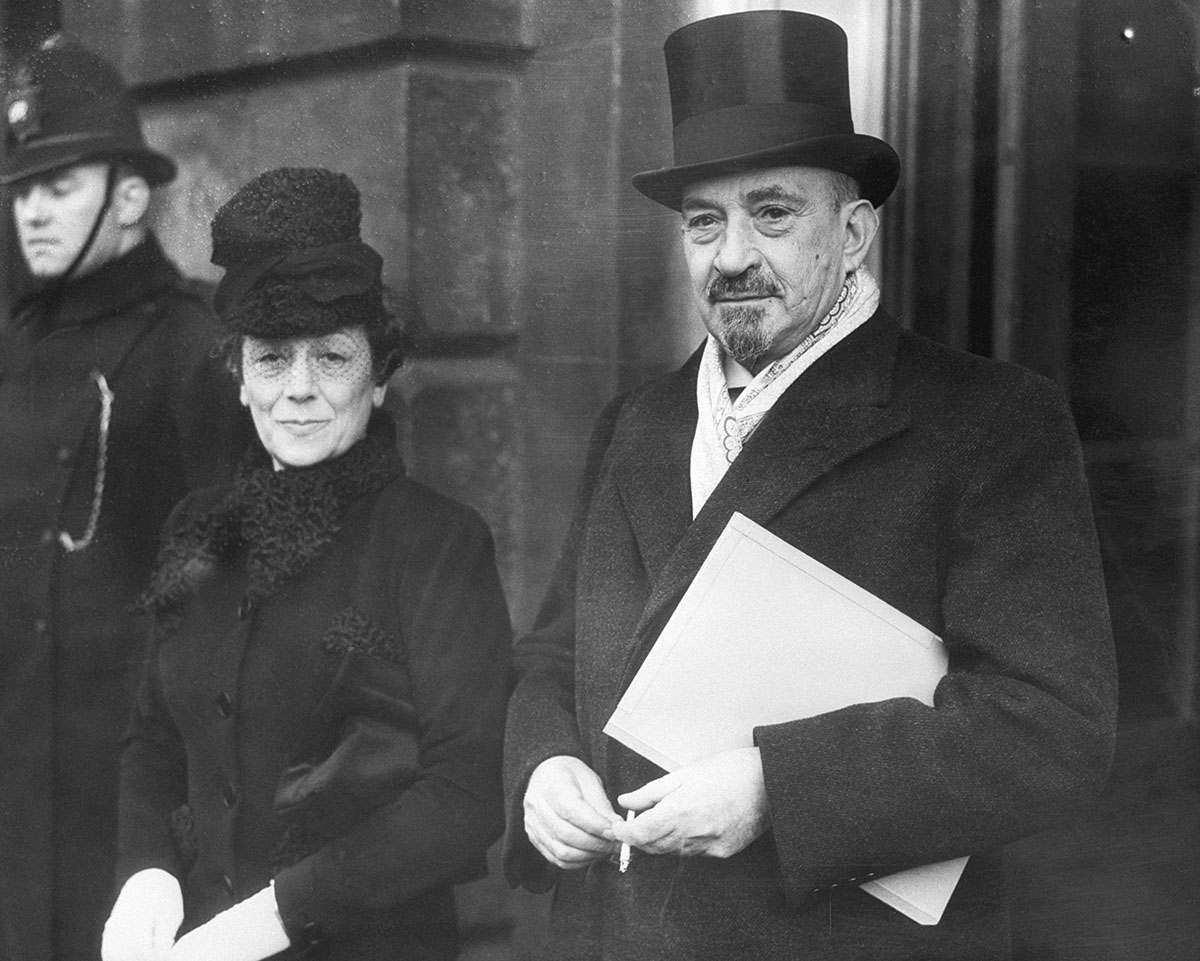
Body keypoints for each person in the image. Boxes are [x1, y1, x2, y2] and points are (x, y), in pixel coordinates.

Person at [502, 11, 1118, 961]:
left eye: (773, 212)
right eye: (705, 221)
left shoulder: (988, 421)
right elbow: (553, 654)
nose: (733, 254)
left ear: (855, 231)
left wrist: (778, 790)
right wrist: (541, 766)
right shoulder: (639, 423)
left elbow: (1052, 730)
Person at [100, 167, 512, 961]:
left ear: (380, 376)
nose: (299, 390)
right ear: (239, 378)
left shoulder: (436, 544)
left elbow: (463, 793)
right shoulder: (199, 528)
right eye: (271, 359)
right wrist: (147, 874)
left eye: (331, 358)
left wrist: (275, 918)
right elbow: (153, 741)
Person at [0, 35, 249, 961]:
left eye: (59, 186)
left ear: (132, 196)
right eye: (24, 187)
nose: (32, 210)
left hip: (130, 808)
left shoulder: (193, 350)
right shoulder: (16, 343)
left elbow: (224, 603)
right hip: (17, 793)